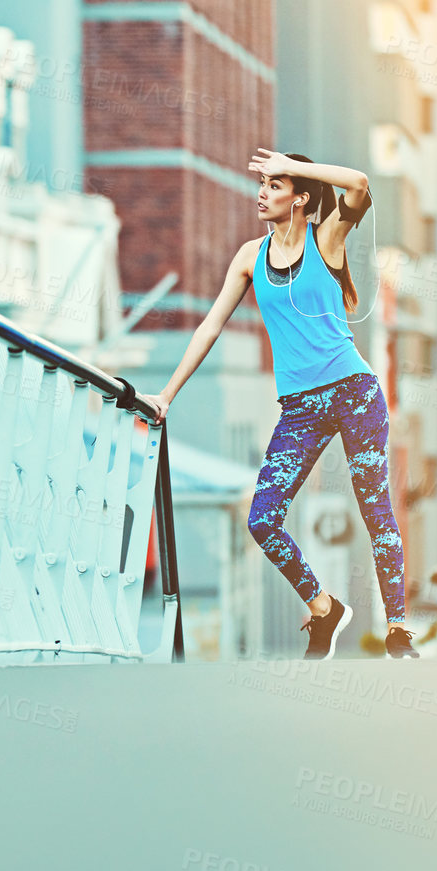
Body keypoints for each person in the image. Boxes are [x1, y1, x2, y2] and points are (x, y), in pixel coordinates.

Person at [144, 150, 416, 660]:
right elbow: (210, 327)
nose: (262, 192)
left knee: (375, 509)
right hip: (299, 409)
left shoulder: (326, 238)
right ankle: (323, 608)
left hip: (354, 393)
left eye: (274, 184)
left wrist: (301, 166)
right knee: (263, 519)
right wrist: (166, 395)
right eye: (263, 184)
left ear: (302, 196)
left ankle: (398, 629)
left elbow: (357, 182)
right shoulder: (250, 256)